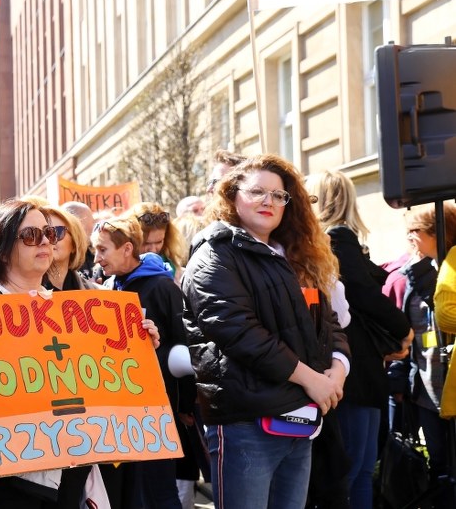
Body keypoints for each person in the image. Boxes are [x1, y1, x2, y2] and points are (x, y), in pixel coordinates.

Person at [0, 199, 158, 508]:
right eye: (31, 235)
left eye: (49, 233)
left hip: (72, 469)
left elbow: (100, 382)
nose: (46, 241)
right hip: (10, 475)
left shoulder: (70, 307)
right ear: (4, 245)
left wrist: (139, 351)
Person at [181, 154, 351, 509]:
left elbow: (328, 322)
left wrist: (337, 369)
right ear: (231, 195)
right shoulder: (215, 254)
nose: (268, 202)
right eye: (257, 192)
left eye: (278, 195)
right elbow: (239, 332)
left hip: (298, 417)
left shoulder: (293, 256)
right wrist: (311, 380)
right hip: (247, 423)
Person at [307, 170, 413, 508]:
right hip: (355, 366)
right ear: (345, 198)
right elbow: (364, 294)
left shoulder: (318, 240)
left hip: (346, 363)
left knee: (356, 469)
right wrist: (404, 329)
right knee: (356, 470)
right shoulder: (337, 237)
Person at [92, 215, 191, 509]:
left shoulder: (162, 287)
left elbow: (185, 344)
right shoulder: (108, 287)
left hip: (158, 408)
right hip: (120, 408)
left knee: (159, 490)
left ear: (127, 248)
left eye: (102, 250)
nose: (96, 258)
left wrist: (185, 405)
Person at [387, 203, 456, 508]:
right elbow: (408, 334)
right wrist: (402, 380)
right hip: (425, 390)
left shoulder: (447, 272)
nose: (409, 237)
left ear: (440, 232)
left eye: (415, 230)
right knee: (438, 463)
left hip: (451, 387)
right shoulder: (413, 274)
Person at [126, 202, 187, 282]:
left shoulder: (178, 274)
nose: (153, 250)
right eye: (145, 243)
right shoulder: (116, 272)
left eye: (159, 242)